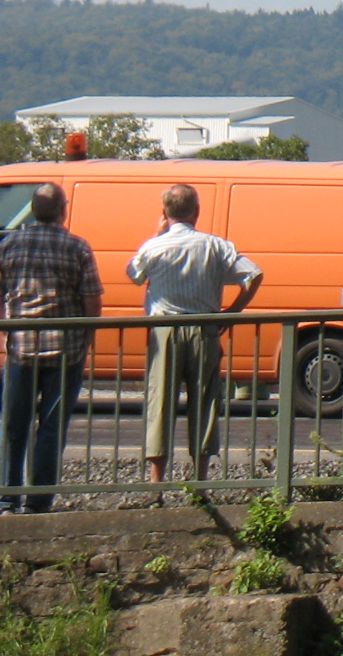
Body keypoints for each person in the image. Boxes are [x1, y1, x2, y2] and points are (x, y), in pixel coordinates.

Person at [126, 185, 263, 484]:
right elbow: (254, 274)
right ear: (197, 211)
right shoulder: (215, 246)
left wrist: (157, 234)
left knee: (160, 402)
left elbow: (134, 274)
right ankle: (199, 482)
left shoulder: (155, 246)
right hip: (204, 329)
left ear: (164, 213)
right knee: (204, 402)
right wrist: (233, 311)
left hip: (165, 330)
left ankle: (156, 483)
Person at [0, 184, 102, 513]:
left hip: (21, 348)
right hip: (66, 351)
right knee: (51, 428)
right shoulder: (77, 247)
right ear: (63, 210)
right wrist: (86, 337)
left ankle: (7, 497)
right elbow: (92, 301)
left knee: (14, 425)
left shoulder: (9, 245)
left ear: (32, 210)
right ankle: (39, 501)